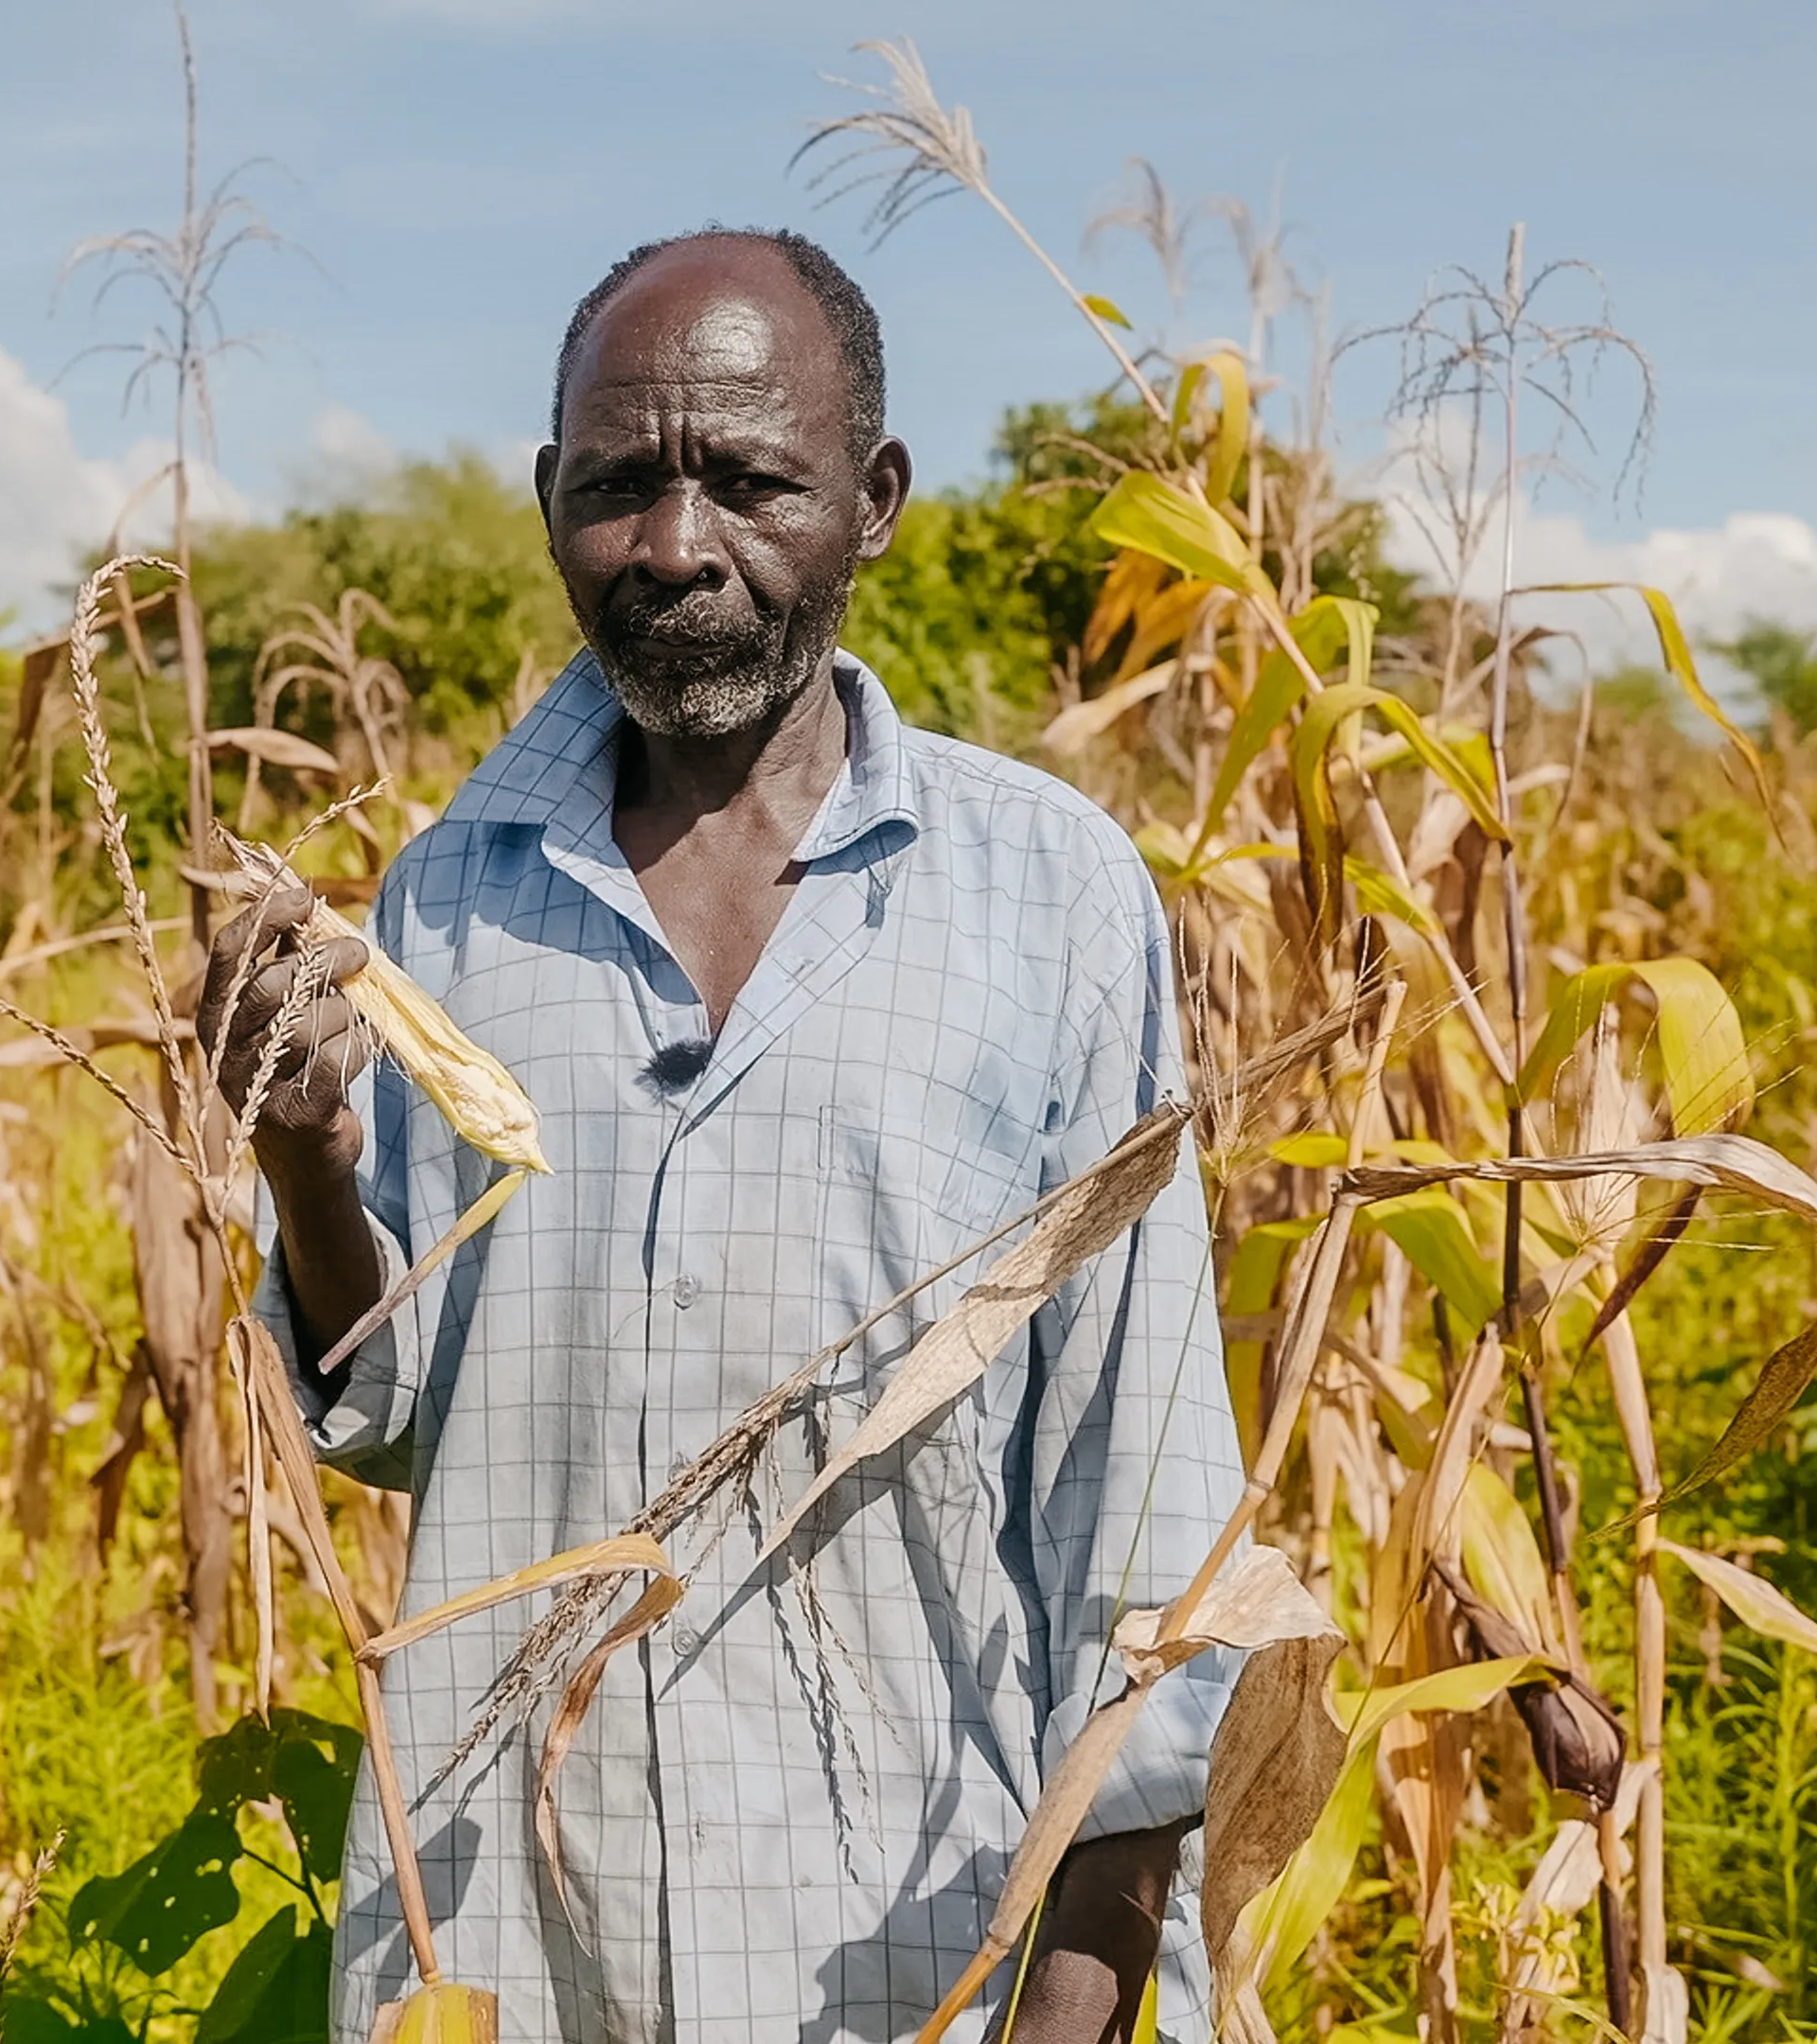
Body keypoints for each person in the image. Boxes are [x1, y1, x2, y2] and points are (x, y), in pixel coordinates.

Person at [202, 226, 1240, 2044]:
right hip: (498, 1941)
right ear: (550, 503)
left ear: (876, 498)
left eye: (752, 482)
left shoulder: (1053, 896)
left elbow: (1141, 1495)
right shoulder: (444, 901)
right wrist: (304, 1163)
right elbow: (393, 1411)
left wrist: (1072, 1999)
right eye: (620, 487)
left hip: (911, 1946)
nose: (679, 548)